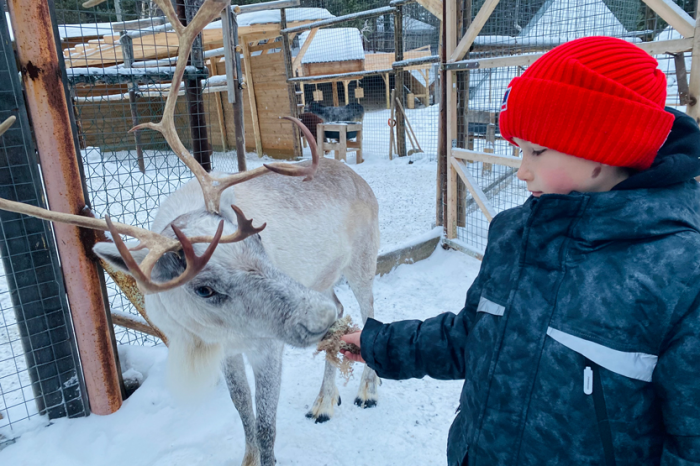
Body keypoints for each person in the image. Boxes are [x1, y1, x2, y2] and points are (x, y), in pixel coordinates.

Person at [342, 36, 700, 466]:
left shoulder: (679, 271)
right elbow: (473, 337)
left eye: (537, 150)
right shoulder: (516, 234)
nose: (523, 170)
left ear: (604, 147)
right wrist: (381, 343)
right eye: (519, 150)